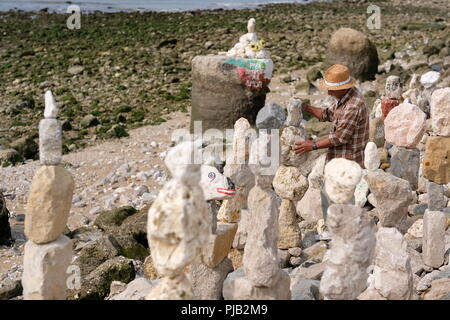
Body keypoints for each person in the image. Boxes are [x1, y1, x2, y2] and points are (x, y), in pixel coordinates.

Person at [293, 64, 369, 240]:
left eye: (331, 90)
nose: (328, 93)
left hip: (349, 159)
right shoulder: (345, 98)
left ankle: (346, 233)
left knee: (342, 196)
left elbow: (339, 138)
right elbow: (328, 114)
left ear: (342, 88)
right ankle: (337, 229)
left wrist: (311, 145)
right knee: (331, 193)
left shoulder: (353, 106)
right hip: (339, 158)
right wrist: (307, 108)